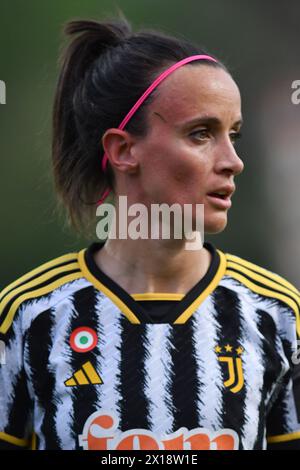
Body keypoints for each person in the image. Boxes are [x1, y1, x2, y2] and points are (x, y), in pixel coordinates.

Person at [0, 14, 299, 451]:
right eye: (201, 134)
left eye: (233, 134)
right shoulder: (29, 317)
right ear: (123, 150)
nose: (233, 161)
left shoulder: (278, 314)